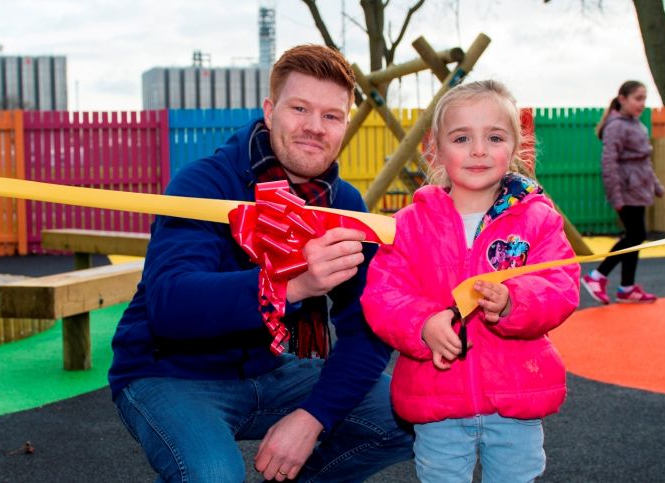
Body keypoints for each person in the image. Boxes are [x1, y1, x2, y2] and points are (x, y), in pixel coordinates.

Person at [107, 45, 413, 482]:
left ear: (345, 125)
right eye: (300, 108)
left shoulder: (343, 204)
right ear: (270, 111)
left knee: (405, 410)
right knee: (213, 474)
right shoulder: (205, 184)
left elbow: (366, 327)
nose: (314, 127)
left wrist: (313, 417)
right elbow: (169, 304)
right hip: (170, 371)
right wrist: (290, 287)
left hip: (273, 368)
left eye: (331, 115)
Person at [361, 80, 580, 482]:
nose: (478, 149)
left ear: (514, 147)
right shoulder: (407, 225)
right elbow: (382, 294)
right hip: (436, 398)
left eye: (494, 137)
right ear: (437, 148)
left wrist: (514, 303)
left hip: (517, 396)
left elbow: (560, 283)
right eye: (462, 138)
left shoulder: (537, 220)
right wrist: (423, 324)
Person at [582, 80, 665, 305]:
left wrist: (655, 186)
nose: (642, 104)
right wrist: (616, 196)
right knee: (635, 236)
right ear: (622, 99)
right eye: (638, 98)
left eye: (644, 99)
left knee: (635, 237)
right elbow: (608, 163)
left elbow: (644, 163)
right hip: (626, 190)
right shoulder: (616, 126)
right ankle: (596, 276)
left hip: (639, 189)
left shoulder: (637, 125)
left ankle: (627, 287)